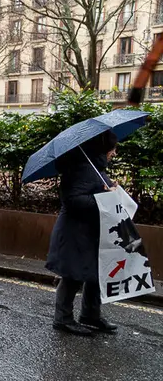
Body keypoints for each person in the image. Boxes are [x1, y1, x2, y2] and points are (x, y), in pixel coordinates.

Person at [47, 131, 119, 336]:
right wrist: (106, 197)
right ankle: (62, 319)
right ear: (103, 149)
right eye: (112, 148)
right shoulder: (83, 169)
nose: (114, 153)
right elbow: (73, 200)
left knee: (95, 273)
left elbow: (94, 191)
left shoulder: (93, 168)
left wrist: (110, 190)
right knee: (72, 276)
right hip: (74, 234)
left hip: (88, 232)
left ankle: (90, 315)